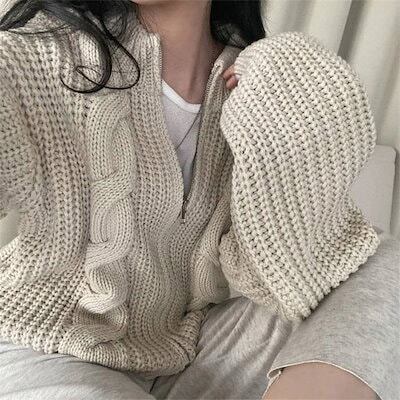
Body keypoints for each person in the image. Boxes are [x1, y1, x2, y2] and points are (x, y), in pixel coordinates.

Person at [0, 1, 398, 399]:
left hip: (188, 341)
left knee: (380, 263)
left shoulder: (252, 79)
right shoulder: (44, 50)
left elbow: (281, 270)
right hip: (49, 342)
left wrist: (293, 101)